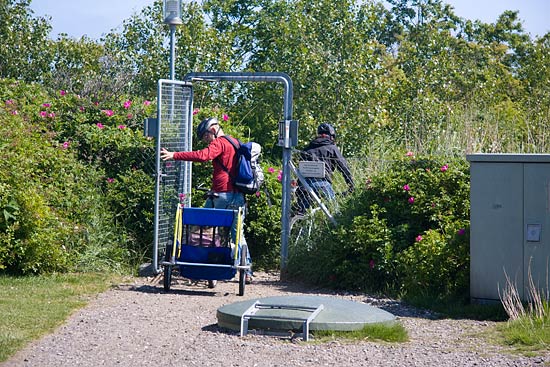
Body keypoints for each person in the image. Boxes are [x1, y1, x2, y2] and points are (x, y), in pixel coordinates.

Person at [160, 117, 253, 285]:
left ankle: (203, 263)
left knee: (201, 226)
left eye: (205, 136)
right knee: (237, 233)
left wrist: (175, 155)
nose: (205, 140)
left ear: (213, 129)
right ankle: (246, 271)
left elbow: (203, 156)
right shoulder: (235, 142)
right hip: (238, 195)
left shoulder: (220, 143)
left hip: (221, 196)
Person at [295, 123, 354, 213]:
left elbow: (300, 168)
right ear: (331, 136)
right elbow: (344, 167)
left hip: (304, 186)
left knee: (304, 212)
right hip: (323, 185)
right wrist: (350, 184)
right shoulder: (332, 148)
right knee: (333, 212)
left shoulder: (306, 149)